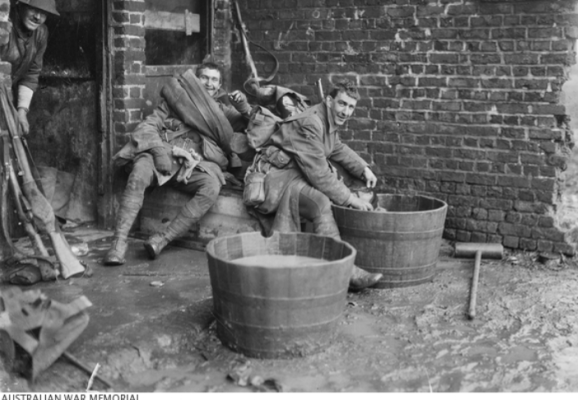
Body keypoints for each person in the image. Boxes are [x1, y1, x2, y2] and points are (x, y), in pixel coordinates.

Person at [103, 62, 252, 265]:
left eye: (214, 79)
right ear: (196, 81)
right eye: (204, 78)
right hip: (163, 154)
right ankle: (118, 244)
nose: (209, 83)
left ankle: (161, 240)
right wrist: (157, 152)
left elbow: (254, 125)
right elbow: (148, 125)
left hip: (193, 164)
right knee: (138, 174)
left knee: (211, 187)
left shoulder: (223, 112)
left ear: (219, 86)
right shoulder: (175, 100)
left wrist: (243, 106)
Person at [244, 80, 382, 290]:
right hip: (277, 178)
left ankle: (334, 263)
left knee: (347, 185)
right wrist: (351, 199)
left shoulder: (326, 120)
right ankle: (347, 272)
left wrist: (363, 168)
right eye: (342, 104)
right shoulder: (311, 122)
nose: (346, 111)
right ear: (329, 101)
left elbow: (336, 148)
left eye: (350, 107)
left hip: (295, 173)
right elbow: (319, 174)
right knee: (320, 202)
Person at [0, 0, 59, 135]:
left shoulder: (40, 33)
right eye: (33, 9)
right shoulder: (6, 25)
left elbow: (31, 74)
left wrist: (22, 112)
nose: (38, 17)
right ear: (20, 6)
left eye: (44, 13)